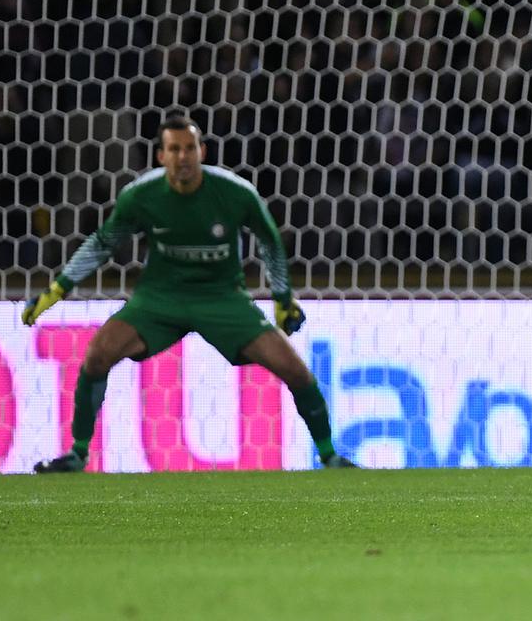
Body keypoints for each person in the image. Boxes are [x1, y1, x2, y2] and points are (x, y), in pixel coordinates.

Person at [19, 115, 355, 471]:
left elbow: (269, 241)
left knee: (295, 369)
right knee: (98, 354)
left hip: (222, 298)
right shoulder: (141, 196)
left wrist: (283, 299)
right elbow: (103, 244)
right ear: (161, 156)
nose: (183, 157)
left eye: (190, 148)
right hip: (160, 297)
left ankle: (329, 455)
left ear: (202, 152)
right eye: (174, 149)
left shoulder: (234, 193)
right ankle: (78, 453)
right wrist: (58, 289)